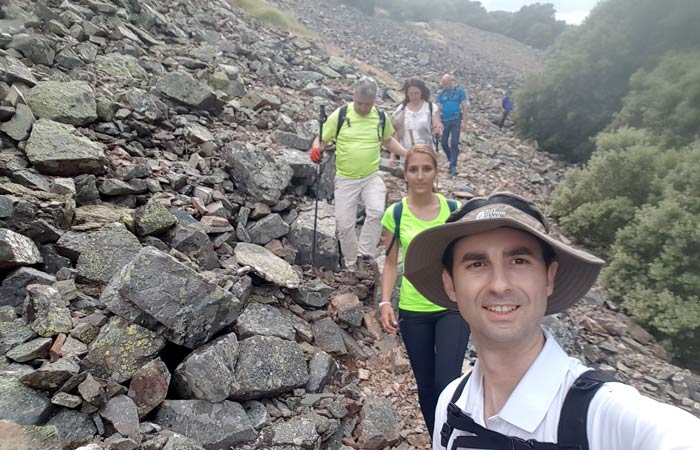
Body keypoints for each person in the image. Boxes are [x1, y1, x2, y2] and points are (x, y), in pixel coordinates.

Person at [402, 192, 700, 450]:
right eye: (476, 264)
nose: (499, 285)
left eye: (519, 261)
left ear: (549, 277)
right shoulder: (451, 403)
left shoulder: (606, 414)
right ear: (450, 284)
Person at [378, 144, 470, 437]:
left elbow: (468, 260)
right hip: (413, 309)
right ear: (405, 173)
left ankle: (454, 435)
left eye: (426, 169)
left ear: (436, 172)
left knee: (448, 380)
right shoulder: (396, 213)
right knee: (427, 384)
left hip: (452, 307)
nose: (420, 175)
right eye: (414, 169)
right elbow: (391, 262)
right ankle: (438, 440)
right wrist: (384, 302)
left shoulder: (454, 210)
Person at [310, 77, 408, 281]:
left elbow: (388, 140)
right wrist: (316, 149)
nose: (363, 108)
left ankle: (365, 256)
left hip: (371, 176)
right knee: (344, 225)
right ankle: (351, 265)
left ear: (374, 101)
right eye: (359, 103)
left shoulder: (380, 117)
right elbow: (322, 138)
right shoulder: (342, 114)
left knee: (376, 211)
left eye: (368, 104)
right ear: (353, 96)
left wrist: (407, 154)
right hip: (345, 178)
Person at [389, 79, 442, 170]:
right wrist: (392, 156)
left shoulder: (430, 107)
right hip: (407, 152)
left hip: (426, 152)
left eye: (416, 93)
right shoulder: (402, 109)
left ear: (421, 92)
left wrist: (438, 129)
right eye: (411, 93)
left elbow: (436, 124)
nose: (414, 96)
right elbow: (398, 134)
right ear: (407, 94)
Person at [435, 74, 468, 176]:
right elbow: (437, 108)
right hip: (444, 120)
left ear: (451, 82)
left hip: (456, 120)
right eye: (443, 84)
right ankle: (451, 159)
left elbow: (464, 106)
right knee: (444, 143)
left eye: (447, 83)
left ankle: (453, 166)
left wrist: (464, 121)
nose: (445, 86)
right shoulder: (441, 93)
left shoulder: (459, 91)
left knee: (454, 142)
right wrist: (438, 122)